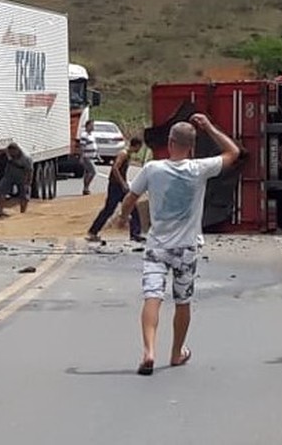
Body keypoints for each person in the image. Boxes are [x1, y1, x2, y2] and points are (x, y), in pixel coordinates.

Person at [116, 113, 239, 376]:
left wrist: (123, 218)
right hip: (186, 248)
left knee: (152, 296)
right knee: (183, 301)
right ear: (191, 147)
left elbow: (130, 198)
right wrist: (209, 126)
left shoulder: (152, 169)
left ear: (170, 143)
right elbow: (233, 152)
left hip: (157, 247)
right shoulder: (199, 169)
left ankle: (149, 351)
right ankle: (176, 352)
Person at [86, 137, 145, 243]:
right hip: (116, 186)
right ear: (136, 145)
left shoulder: (127, 154)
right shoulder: (123, 153)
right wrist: (123, 183)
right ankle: (93, 232)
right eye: (140, 147)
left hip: (119, 186)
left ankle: (135, 233)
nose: (140, 149)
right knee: (109, 209)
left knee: (132, 207)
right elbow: (115, 168)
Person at [0, 143, 34, 215]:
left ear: (17, 150)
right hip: (9, 173)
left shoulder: (26, 158)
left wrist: (28, 182)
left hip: (22, 174)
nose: (11, 154)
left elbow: (30, 170)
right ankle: (0, 211)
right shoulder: (8, 152)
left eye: (13, 152)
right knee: (2, 190)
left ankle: (23, 212)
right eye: (10, 152)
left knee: (24, 194)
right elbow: (2, 151)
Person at [79, 119, 98, 195]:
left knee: (87, 173)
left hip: (91, 156)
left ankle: (85, 189)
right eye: (91, 125)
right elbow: (82, 146)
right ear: (87, 126)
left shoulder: (91, 135)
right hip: (86, 157)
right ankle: (86, 187)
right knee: (92, 172)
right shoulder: (84, 135)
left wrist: (97, 155)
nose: (93, 127)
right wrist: (81, 157)